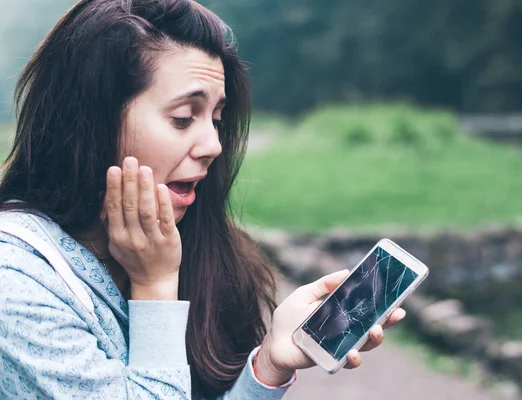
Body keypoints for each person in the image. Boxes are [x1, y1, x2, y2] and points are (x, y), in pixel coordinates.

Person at [0, 0, 406, 399]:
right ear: (90, 120)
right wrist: (155, 286)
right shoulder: (15, 280)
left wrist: (269, 365)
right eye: (183, 118)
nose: (213, 145)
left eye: (216, 120)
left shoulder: (198, 247)